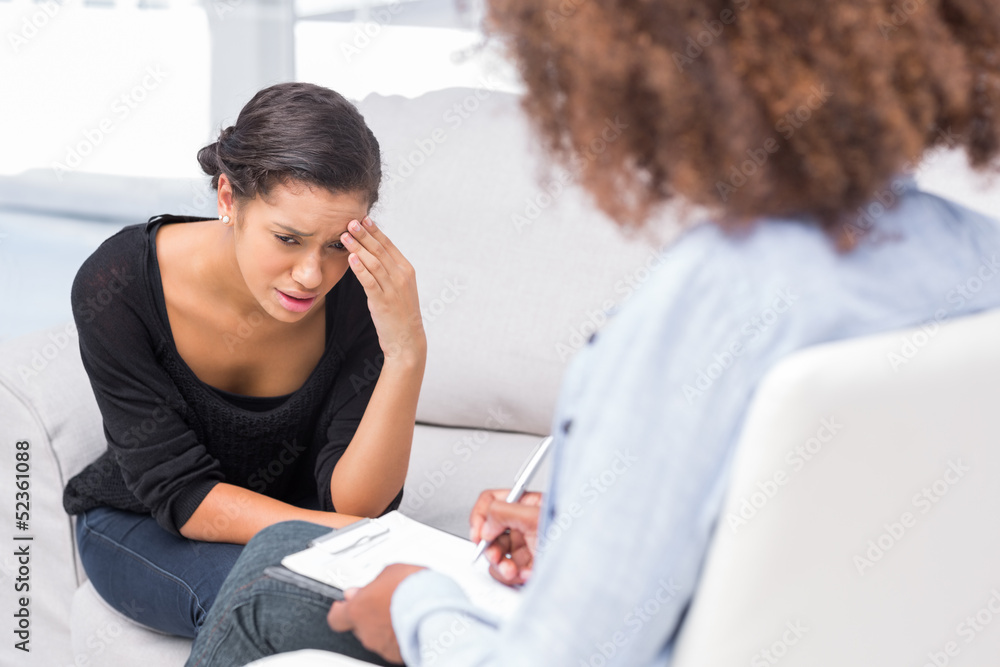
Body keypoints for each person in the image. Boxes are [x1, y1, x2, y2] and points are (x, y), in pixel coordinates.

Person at [184, 1, 1000, 665]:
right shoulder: (978, 259)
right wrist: (586, 524)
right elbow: (825, 527)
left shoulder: (712, 298)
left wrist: (416, 606)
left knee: (266, 582)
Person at [62, 81, 425, 649]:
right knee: (272, 605)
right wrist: (341, 536)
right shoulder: (119, 284)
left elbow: (355, 503)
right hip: (144, 525)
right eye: (287, 238)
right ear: (228, 199)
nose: (312, 274)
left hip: (299, 526)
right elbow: (180, 494)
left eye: (337, 244)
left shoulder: (358, 294)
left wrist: (407, 350)